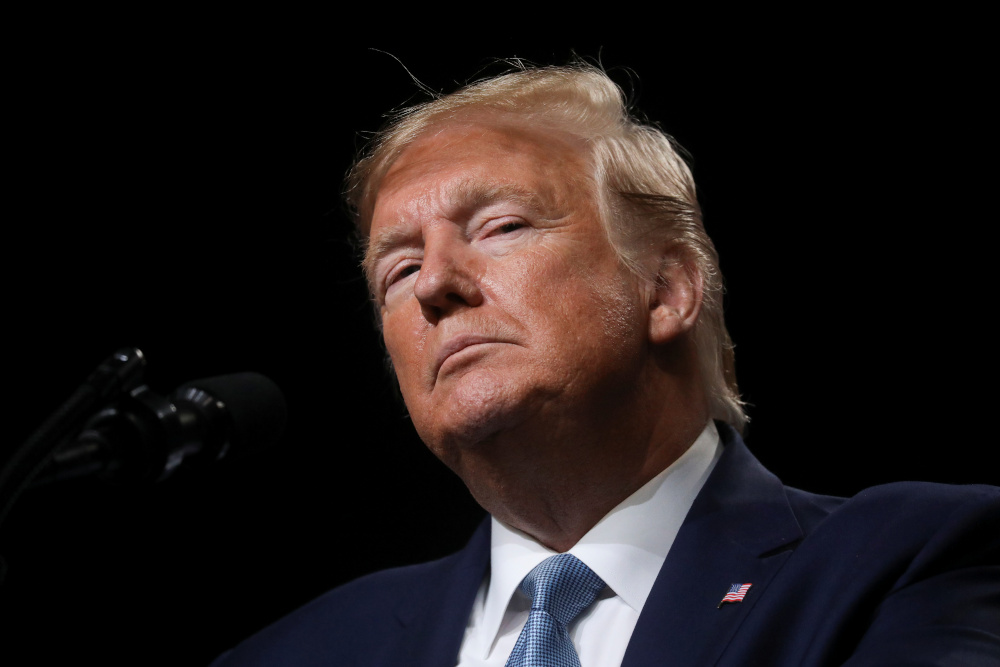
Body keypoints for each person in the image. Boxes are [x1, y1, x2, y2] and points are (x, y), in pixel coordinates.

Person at [212, 64, 999, 666]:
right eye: (396, 270)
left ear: (667, 287)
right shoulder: (298, 651)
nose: (434, 285)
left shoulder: (907, 562)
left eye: (501, 225)